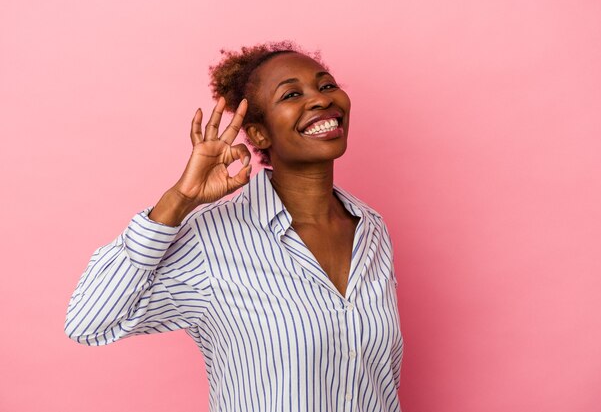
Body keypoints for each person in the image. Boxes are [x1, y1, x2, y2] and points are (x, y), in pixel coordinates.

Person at [64, 40, 404, 411]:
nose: (321, 100)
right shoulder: (211, 240)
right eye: (292, 94)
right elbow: (87, 323)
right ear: (259, 135)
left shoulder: (370, 228)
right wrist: (180, 198)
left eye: (326, 86)